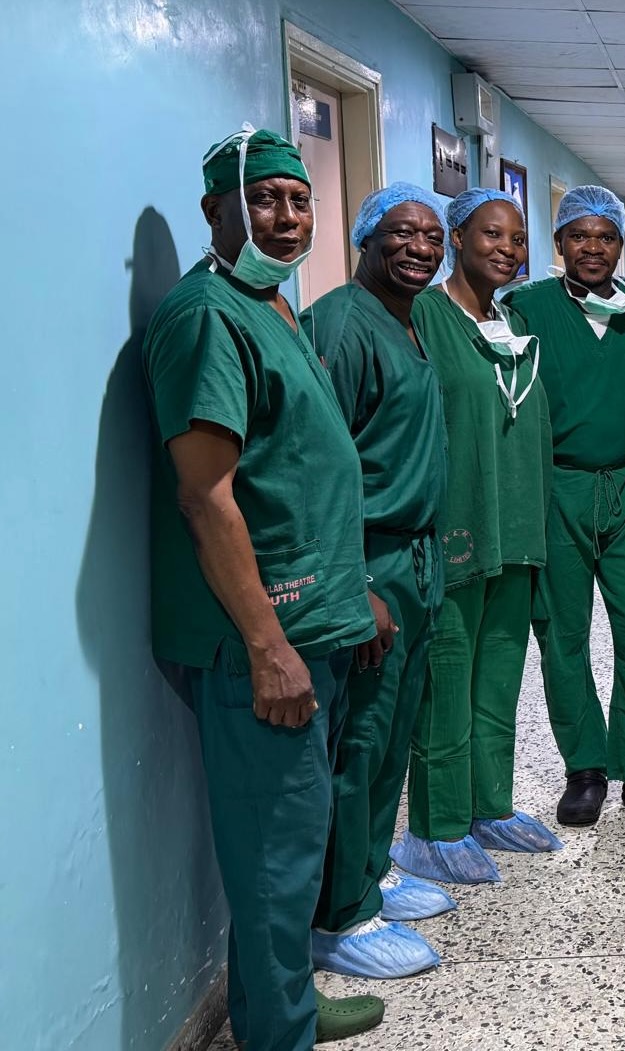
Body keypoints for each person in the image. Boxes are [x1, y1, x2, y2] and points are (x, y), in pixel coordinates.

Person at [143, 126, 384, 1048]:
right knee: (276, 856)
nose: (287, 218)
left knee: (291, 843)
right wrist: (267, 645)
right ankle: (280, 1032)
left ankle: (279, 1007)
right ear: (216, 210)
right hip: (263, 638)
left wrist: (353, 590)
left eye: (298, 200)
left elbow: (301, 470)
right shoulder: (207, 317)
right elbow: (206, 497)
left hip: (315, 615)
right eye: (264, 200)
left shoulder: (271, 303)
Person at [503, 185, 625, 831]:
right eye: (579, 236)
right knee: (563, 634)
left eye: (606, 236)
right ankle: (584, 768)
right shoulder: (525, 307)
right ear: (558, 242)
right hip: (555, 487)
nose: (593, 247)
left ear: (621, 244)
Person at [302, 184, 453, 980]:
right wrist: (356, 580)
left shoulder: (408, 319)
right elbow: (318, 468)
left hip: (415, 556)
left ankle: (371, 872)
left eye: (432, 235)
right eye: (402, 232)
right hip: (370, 560)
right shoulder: (340, 324)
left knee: (393, 732)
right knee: (359, 738)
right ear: (366, 237)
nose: (421, 247)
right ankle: (339, 915)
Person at [391, 187, 561, 886]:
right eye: (492, 234)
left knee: (499, 678)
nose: (507, 249)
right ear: (456, 238)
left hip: (515, 528)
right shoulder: (423, 316)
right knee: (447, 680)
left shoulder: (511, 320)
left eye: (517, 239)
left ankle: (490, 806)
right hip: (456, 527)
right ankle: (435, 827)